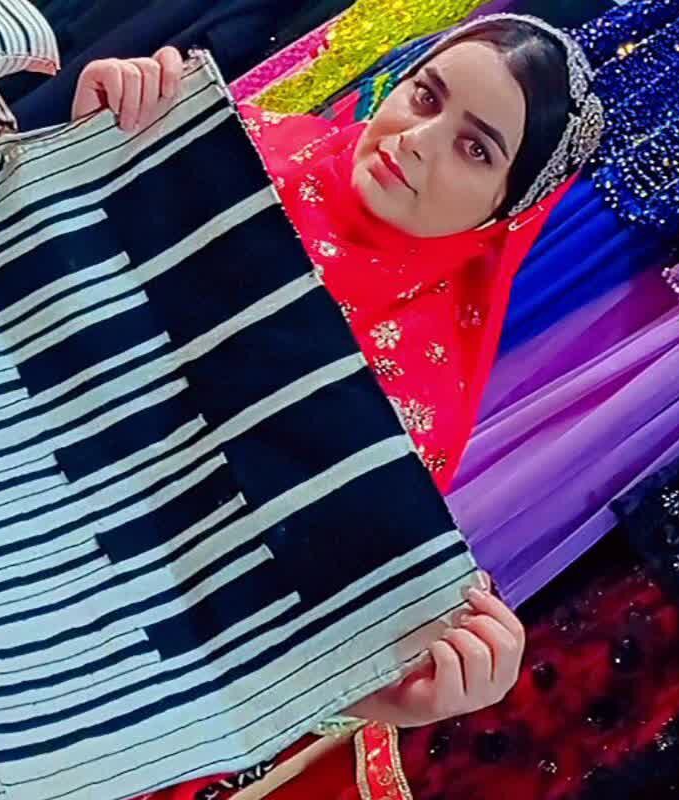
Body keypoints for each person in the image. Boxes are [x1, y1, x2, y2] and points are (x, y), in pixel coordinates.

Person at [66, 12, 602, 741]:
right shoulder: (218, 147)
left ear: (505, 211)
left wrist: (392, 696)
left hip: (82, 627)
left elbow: (263, 623)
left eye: (475, 148)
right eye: (425, 96)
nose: (418, 141)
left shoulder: (411, 399)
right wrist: (88, 152)